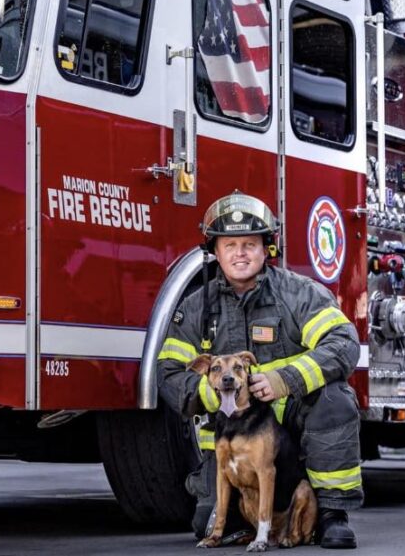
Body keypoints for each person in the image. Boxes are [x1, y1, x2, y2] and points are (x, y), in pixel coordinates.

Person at [156, 191, 362, 549]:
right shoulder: (193, 310)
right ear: (215, 252)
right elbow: (169, 374)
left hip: (292, 434)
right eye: (229, 244)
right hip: (233, 443)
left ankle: (330, 512)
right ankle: (242, 517)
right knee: (205, 524)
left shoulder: (299, 294)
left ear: (267, 249)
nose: (240, 253)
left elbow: (344, 342)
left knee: (335, 397)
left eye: (250, 244)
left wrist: (286, 380)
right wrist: (219, 389)